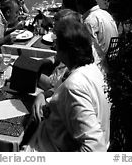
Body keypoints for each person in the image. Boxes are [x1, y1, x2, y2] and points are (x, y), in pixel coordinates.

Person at [24, 19, 111, 152]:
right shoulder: (90, 69)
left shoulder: (74, 86)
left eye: (57, 42)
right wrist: (43, 95)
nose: (54, 45)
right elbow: (58, 91)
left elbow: (95, 149)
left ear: (67, 50)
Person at [76, 0, 118, 72]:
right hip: (113, 58)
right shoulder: (105, 13)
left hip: (101, 65)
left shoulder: (90, 20)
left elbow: (90, 49)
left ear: (81, 5)